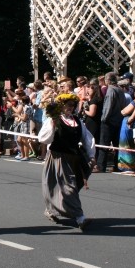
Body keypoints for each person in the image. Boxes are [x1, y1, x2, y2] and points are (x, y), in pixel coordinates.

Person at [37, 93, 95, 230]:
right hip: (58, 157)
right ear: (61, 106)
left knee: (69, 186)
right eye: (68, 105)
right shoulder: (54, 120)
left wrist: (91, 156)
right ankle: (80, 218)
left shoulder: (77, 121)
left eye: (73, 105)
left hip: (74, 157)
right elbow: (43, 139)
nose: (71, 107)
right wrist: (52, 123)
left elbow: (87, 138)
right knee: (67, 187)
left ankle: (51, 210)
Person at [97, 72, 127, 173]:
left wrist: (103, 118)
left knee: (104, 144)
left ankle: (101, 166)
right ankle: (117, 165)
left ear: (107, 80)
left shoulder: (111, 90)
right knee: (117, 144)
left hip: (109, 121)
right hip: (119, 120)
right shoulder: (120, 90)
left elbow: (108, 106)